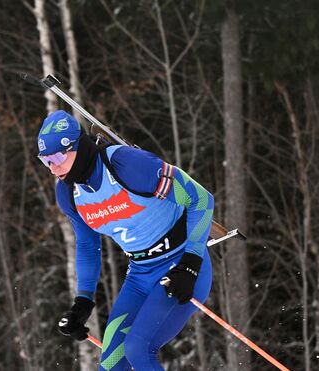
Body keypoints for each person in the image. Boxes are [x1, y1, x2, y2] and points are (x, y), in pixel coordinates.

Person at [37, 110, 214, 371]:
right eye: (45, 161)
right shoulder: (69, 193)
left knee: (138, 349)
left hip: (180, 265)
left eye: (58, 157)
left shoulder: (127, 165)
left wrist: (190, 263)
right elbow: (87, 245)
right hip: (140, 275)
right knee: (110, 363)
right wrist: (83, 302)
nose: (53, 168)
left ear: (78, 146)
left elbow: (200, 199)